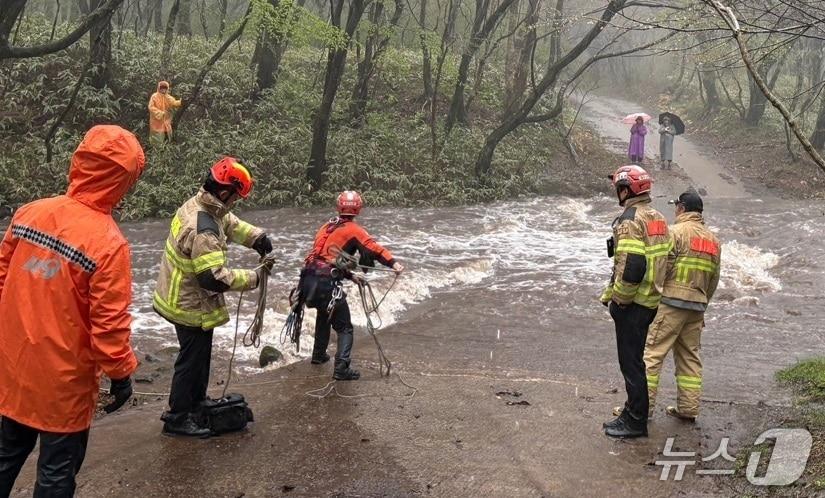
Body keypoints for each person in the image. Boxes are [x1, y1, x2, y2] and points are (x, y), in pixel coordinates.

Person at [0, 125, 144, 495]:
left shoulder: (30, 213)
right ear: (124, 180)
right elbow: (109, 327)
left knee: (4, 455)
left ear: (78, 160)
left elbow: (2, 280)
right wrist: (122, 374)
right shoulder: (109, 244)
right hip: (64, 385)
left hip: (12, 369)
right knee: (56, 473)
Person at [153, 157, 273, 437]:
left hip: (179, 294)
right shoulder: (203, 229)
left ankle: (195, 403)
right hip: (187, 303)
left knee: (199, 356)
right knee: (191, 360)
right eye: (235, 197)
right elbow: (213, 278)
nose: (235, 203)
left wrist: (257, 238)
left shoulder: (202, 205)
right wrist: (254, 278)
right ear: (224, 193)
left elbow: (229, 222)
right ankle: (178, 417)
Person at [301, 191, 403, 380]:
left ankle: (318, 355)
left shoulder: (326, 226)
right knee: (345, 327)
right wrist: (394, 264)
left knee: (324, 314)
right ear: (358, 208)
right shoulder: (354, 229)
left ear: (338, 207)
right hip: (326, 282)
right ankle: (342, 367)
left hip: (307, 279)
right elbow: (373, 248)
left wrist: (350, 276)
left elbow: (325, 258)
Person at [600, 165, 670, 438]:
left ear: (626, 189)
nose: (617, 192)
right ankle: (632, 411)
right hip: (650, 301)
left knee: (631, 363)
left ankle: (635, 420)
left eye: (618, 187)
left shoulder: (630, 220)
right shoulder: (658, 218)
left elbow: (632, 266)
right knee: (636, 360)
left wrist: (619, 301)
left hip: (633, 303)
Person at [644, 191, 721, 422]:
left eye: (676, 206)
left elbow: (660, 267)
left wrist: (651, 298)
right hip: (697, 306)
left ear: (681, 209)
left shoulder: (675, 232)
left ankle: (641, 409)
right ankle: (688, 409)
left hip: (670, 303)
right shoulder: (714, 241)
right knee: (690, 357)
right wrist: (703, 304)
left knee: (652, 354)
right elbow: (714, 279)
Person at [148, 80, 182, 145]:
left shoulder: (168, 97)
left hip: (166, 122)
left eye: (165, 88)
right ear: (159, 88)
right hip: (156, 122)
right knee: (157, 139)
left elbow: (174, 103)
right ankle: (157, 152)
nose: (163, 90)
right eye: (162, 88)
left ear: (167, 89)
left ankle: (166, 152)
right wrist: (160, 113)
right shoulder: (154, 96)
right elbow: (151, 107)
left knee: (167, 139)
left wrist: (181, 102)